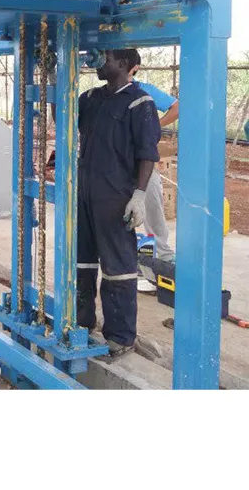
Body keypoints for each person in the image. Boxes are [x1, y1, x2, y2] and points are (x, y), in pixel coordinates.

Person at [77, 49, 161, 360]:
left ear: (124, 64)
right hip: (84, 193)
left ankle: (120, 336)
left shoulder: (140, 102)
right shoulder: (90, 98)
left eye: (106, 56)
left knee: (117, 268)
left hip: (115, 196)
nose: (98, 61)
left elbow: (147, 153)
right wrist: (53, 82)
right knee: (81, 262)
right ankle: (82, 323)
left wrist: (139, 195)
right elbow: (64, 120)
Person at [126, 50, 177, 274]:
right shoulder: (107, 93)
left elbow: (177, 107)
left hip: (143, 163)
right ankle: (130, 259)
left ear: (134, 67)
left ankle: (163, 257)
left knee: (152, 206)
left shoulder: (145, 90)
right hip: (115, 163)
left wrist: (156, 126)